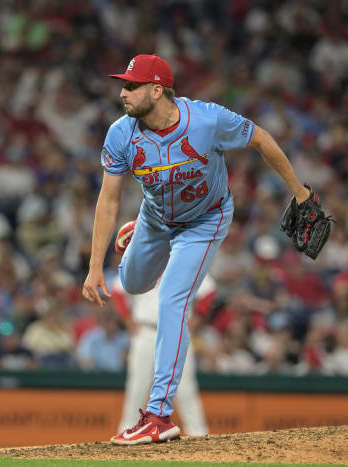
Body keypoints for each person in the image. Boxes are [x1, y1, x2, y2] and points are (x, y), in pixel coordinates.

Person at [82, 54, 311, 445]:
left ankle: (158, 416)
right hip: (156, 218)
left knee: (172, 298)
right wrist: (93, 267)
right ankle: (137, 231)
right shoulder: (121, 133)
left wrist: (300, 191)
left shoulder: (207, 119)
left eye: (131, 86)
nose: (123, 92)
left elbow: (260, 138)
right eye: (124, 84)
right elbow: (107, 200)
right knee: (134, 284)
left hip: (205, 220)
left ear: (157, 90)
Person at [111, 276, 214, 437]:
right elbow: (117, 290)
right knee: (138, 387)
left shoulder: (184, 255)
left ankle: (198, 434)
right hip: (146, 330)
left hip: (176, 332)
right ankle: (126, 432)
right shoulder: (146, 255)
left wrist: (195, 322)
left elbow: (209, 291)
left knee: (186, 389)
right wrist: (128, 320)